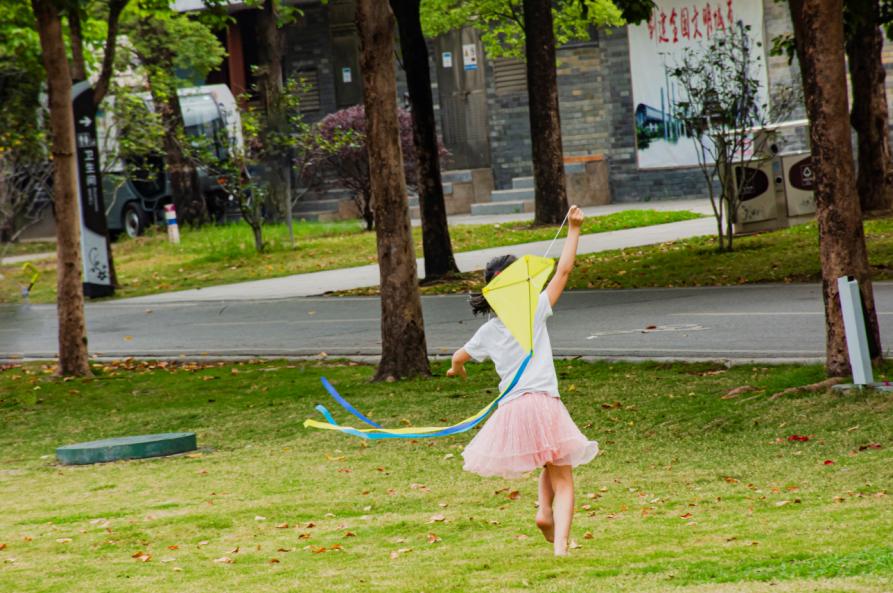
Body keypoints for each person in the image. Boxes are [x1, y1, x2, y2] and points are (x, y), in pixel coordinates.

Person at [446, 205, 598, 556]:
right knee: (564, 475)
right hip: (544, 403)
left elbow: (458, 356)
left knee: (553, 459)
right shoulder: (536, 310)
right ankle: (560, 545)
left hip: (513, 411)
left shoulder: (488, 330)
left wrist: (458, 371)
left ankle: (544, 513)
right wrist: (573, 229)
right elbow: (563, 271)